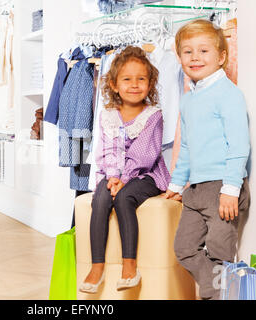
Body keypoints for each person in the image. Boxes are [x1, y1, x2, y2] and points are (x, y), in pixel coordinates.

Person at [161, 20, 251, 300]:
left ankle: (217, 295)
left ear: (221, 56)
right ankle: (216, 291)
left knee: (219, 250)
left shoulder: (229, 94)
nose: (195, 58)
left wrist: (230, 189)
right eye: (187, 52)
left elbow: (239, 145)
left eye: (203, 51)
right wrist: (176, 184)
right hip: (196, 190)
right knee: (184, 247)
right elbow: (186, 146)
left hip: (223, 188)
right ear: (179, 58)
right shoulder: (189, 100)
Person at [79, 46, 170, 294]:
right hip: (114, 174)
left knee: (125, 198)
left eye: (141, 79)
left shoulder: (153, 115)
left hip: (146, 174)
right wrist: (113, 177)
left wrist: (124, 179)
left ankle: (130, 265)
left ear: (150, 84)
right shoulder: (108, 115)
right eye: (127, 79)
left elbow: (144, 154)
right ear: (114, 84)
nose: (134, 85)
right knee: (99, 198)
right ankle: (96, 266)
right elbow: (105, 150)